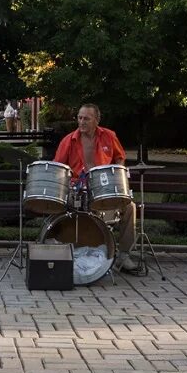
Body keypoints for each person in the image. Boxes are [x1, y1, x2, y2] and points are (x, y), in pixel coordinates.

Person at [53, 103, 138, 273]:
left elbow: (120, 158)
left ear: (96, 120)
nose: (81, 122)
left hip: (103, 188)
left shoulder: (109, 136)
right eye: (79, 117)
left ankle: (123, 256)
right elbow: (58, 167)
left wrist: (117, 178)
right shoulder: (68, 140)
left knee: (129, 207)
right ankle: (59, 248)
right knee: (57, 203)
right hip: (77, 190)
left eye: (86, 118)